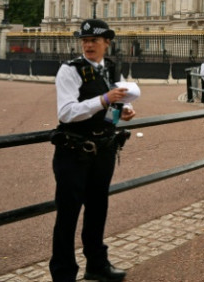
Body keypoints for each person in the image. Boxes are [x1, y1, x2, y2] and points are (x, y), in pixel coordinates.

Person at [50, 19, 138, 282]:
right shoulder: (70, 70)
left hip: (104, 149)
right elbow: (66, 113)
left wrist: (122, 111)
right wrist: (103, 100)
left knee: (98, 210)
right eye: (85, 41)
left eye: (94, 41)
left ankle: (97, 264)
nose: (88, 45)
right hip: (74, 151)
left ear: (106, 43)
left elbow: (112, 109)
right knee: (68, 215)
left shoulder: (112, 70)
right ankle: (64, 275)